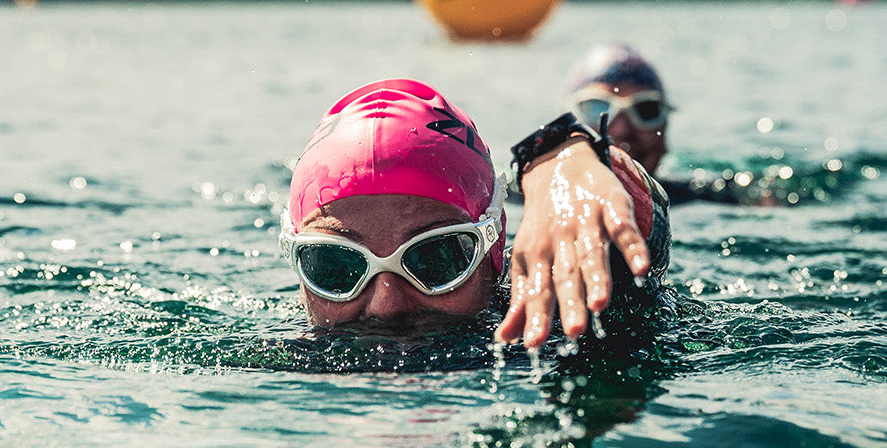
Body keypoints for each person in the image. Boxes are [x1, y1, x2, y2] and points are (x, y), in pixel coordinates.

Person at [281, 78, 669, 349]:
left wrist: (562, 158)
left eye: (436, 258)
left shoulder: (550, 319)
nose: (387, 307)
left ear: (494, 247)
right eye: (336, 267)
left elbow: (641, 232)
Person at [564, 42, 765, 205]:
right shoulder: (552, 197)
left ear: (664, 127)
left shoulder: (707, 198)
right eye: (597, 108)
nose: (622, 130)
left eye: (646, 110)